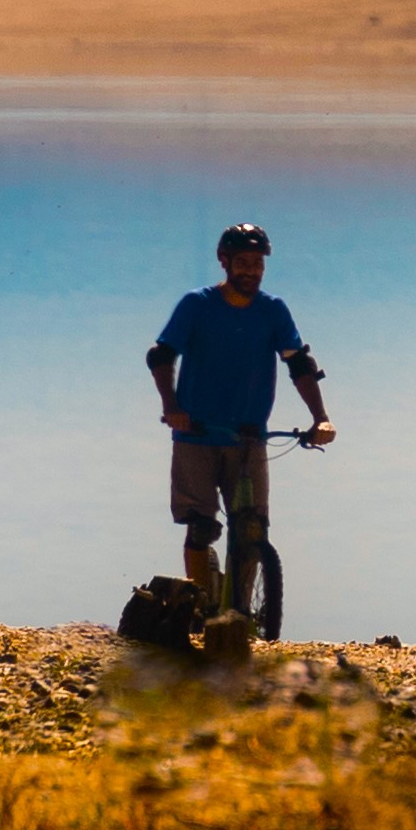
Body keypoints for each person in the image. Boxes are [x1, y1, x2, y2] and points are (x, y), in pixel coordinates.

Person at [148, 221, 332, 642]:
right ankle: (200, 604)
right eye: (243, 263)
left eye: (258, 264)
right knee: (202, 527)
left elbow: (298, 363)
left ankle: (241, 619)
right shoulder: (197, 305)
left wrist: (320, 418)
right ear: (225, 262)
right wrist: (172, 408)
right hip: (197, 433)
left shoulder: (273, 310)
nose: (251, 271)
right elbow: (160, 355)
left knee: (252, 528)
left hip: (250, 436)